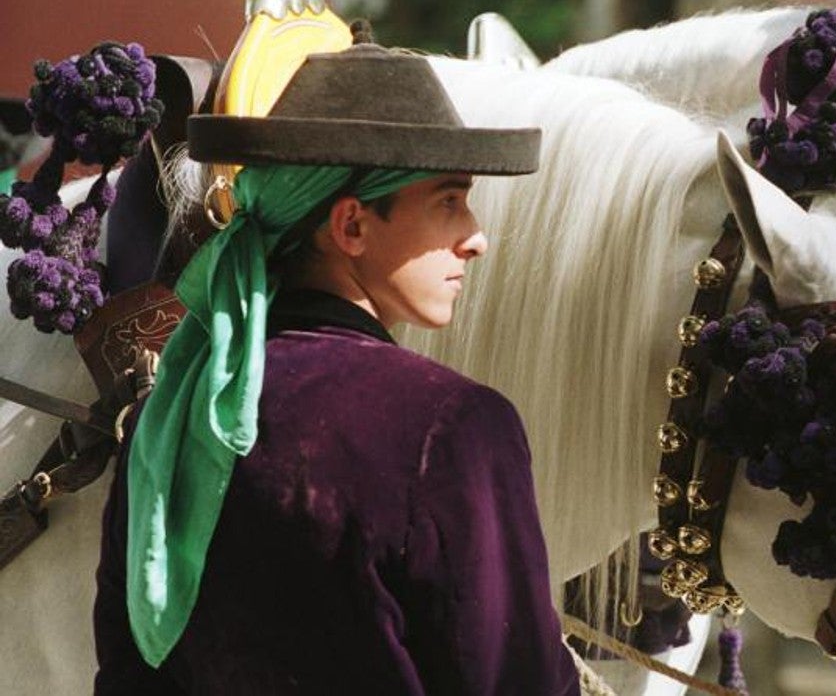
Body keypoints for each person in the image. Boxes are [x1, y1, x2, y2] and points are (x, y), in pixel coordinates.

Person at [93, 43, 580, 694]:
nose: (476, 236)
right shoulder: (451, 426)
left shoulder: (171, 412)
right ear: (351, 224)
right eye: (449, 201)